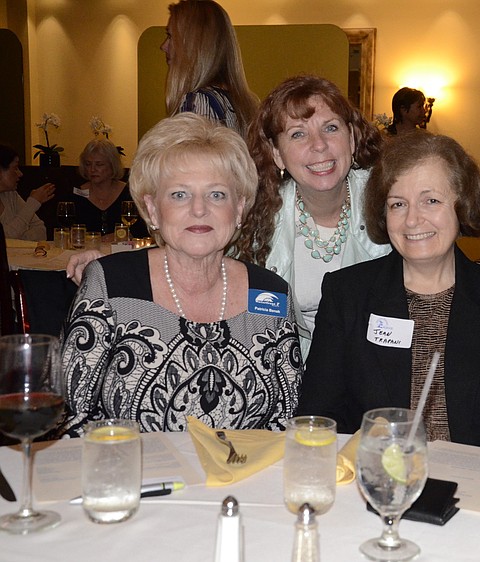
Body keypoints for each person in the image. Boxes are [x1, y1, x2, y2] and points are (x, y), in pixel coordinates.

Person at [236, 74, 480, 358]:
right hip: (293, 370)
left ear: (351, 138)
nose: (318, 145)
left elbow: (438, 263)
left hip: (381, 365)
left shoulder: (388, 195)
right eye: (297, 134)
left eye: (331, 128)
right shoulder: (256, 216)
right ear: (276, 152)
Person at [61, 113, 302, 437]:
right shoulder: (110, 284)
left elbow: (286, 421)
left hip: (243, 482)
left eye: (217, 194)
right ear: (152, 208)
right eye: (179, 194)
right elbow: (72, 417)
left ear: (240, 208)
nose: (199, 209)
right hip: (135, 479)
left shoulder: (270, 293)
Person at [298, 132, 480, 452]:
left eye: (431, 200)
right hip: (372, 483)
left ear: (462, 206)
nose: (412, 219)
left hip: (470, 487)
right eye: (398, 203)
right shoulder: (347, 295)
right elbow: (319, 417)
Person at [160, 0, 258, 138]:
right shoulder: (241, 104)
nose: (163, 46)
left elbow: (192, 159)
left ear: (192, 45)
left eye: (170, 36)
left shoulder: (198, 102)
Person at [71, 138, 146, 238]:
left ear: (112, 166)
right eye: (88, 164)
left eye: (99, 164)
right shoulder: (77, 194)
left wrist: (124, 235)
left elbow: (143, 230)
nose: (92, 169)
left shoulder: (130, 193)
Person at [0, 145, 53, 240]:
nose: (20, 174)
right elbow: (3, 240)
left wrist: (16, 238)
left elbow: (41, 231)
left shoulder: (11, 195)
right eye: (15, 168)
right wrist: (32, 204)